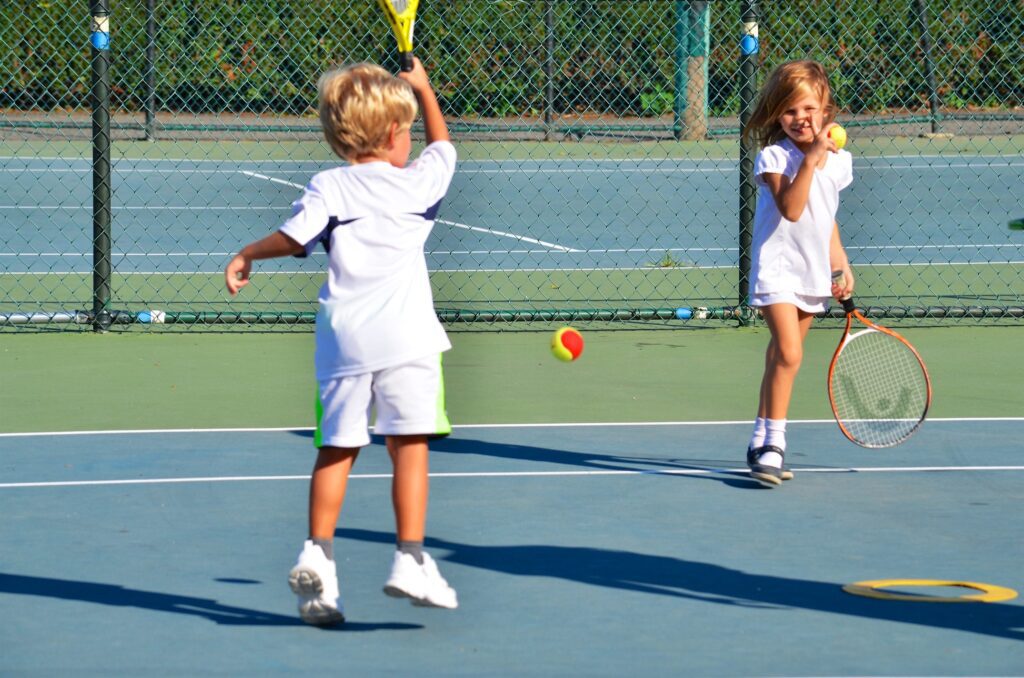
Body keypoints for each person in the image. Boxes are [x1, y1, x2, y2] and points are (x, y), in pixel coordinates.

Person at [224, 58, 458, 624]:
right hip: (407, 339)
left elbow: (293, 237)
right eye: (405, 130)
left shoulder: (329, 185)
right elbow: (445, 147)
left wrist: (247, 253)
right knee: (410, 444)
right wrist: (425, 92)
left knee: (338, 447)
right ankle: (409, 556)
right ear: (396, 134)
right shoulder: (418, 184)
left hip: (343, 343)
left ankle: (318, 555)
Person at [742, 60, 854, 488]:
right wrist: (811, 159)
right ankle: (774, 444)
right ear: (777, 115)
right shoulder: (773, 157)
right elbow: (791, 209)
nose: (800, 119)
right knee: (789, 354)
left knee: (780, 358)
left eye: (808, 109)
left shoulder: (840, 163)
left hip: (811, 270)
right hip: (776, 269)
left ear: (827, 112)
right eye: (789, 111)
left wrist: (840, 263)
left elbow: (825, 217)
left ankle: (758, 439)